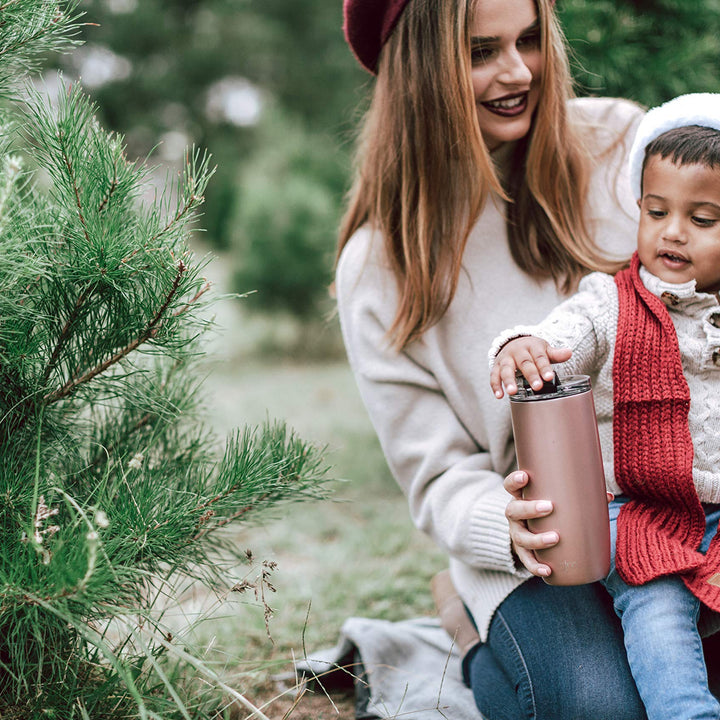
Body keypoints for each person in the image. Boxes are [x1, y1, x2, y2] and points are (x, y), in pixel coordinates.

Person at [337, 0, 652, 718]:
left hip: (672, 493)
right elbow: (437, 473)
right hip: (539, 542)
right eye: (481, 51)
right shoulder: (382, 264)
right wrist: (500, 524)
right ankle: (470, 630)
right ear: (421, 71)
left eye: (531, 40)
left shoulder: (619, 145)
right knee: (600, 707)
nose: (517, 72)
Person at [489, 93, 720, 720]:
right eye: (656, 211)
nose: (672, 231)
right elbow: (568, 333)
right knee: (658, 603)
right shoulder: (612, 302)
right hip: (640, 511)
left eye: (704, 219)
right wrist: (527, 344)